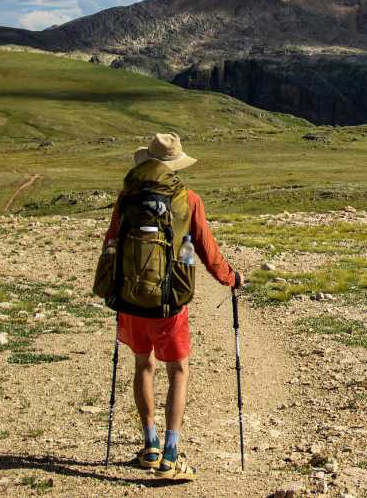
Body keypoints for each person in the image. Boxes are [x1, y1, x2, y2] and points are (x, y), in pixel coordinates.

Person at [102, 132, 243, 481]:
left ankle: (149, 446)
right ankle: (171, 455)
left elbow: (111, 242)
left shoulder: (126, 197)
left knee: (142, 365)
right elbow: (207, 252)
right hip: (169, 302)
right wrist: (231, 278)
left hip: (131, 299)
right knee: (177, 370)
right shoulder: (188, 199)